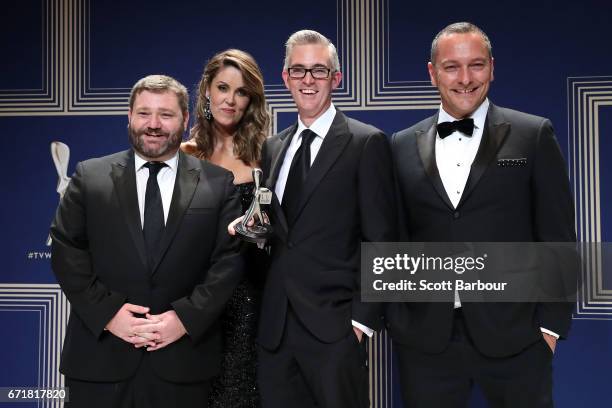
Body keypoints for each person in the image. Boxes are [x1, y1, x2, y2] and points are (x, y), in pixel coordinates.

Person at [387, 22, 576, 407]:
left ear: (492, 67)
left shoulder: (533, 134)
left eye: (476, 65)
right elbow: (394, 238)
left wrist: (550, 326)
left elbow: (558, 236)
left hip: (517, 338)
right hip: (426, 343)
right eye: (452, 66)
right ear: (432, 72)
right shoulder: (401, 144)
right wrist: (399, 320)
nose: (465, 78)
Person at [50, 74, 244, 408]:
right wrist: (109, 315)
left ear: (185, 121)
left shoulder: (217, 182)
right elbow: (67, 251)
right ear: (129, 116)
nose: (153, 124)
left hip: (183, 363)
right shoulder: (89, 176)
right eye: (144, 113)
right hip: (99, 360)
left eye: (166, 115)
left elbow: (228, 261)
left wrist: (184, 319)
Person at [230, 30, 397, 408]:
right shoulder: (273, 148)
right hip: (275, 332)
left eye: (318, 71)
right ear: (285, 77)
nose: (308, 80)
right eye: (299, 70)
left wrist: (360, 324)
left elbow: (383, 241)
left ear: (336, 79)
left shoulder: (366, 143)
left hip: (335, 331)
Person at [181, 48, 269, 408]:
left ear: (251, 100)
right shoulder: (182, 155)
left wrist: (266, 231)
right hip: (195, 303)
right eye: (222, 87)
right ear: (206, 90)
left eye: (241, 92)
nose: (230, 100)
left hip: (251, 301)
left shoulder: (268, 155)